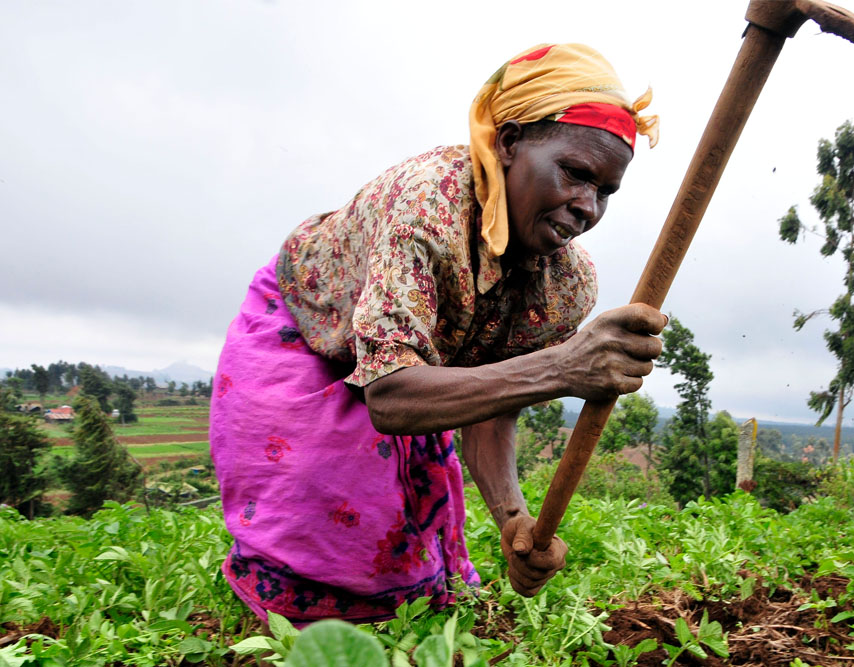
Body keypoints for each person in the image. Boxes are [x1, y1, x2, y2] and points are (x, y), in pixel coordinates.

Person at [210, 43, 668, 625]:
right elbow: (390, 397)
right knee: (318, 510)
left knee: (404, 564)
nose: (588, 207)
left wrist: (513, 520)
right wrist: (563, 368)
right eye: (575, 174)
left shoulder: (565, 284)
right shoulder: (427, 207)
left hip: (413, 362)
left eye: (605, 191)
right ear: (509, 143)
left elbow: (493, 401)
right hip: (309, 325)